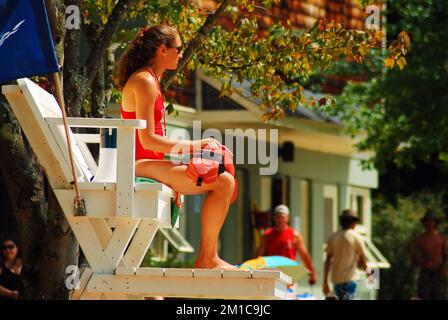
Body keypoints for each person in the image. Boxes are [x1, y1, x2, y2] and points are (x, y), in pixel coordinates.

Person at [115, 25, 235, 270]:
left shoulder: (150, 80)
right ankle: (207, 259)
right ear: (162, 49)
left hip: (149, 164)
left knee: (224, 178)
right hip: (137, 166)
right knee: (224, 183)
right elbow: (147, 140)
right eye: (178, 49)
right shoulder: (144, 81)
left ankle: (209, 258)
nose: (181, 54)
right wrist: (195, 146)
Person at [256, 204, 317, 284]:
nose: (280, 220)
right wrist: (256, 271)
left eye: (282, 217)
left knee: (289, 296)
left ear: (287, 218)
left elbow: (304, 255)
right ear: (274, 218)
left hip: (289, 274)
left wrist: (312, 273)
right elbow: (259, 255)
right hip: (272, 274)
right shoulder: (267, 235)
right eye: (278, 217)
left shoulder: (294, 235)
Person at [323, 209, 367, 300]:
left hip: (336, 280)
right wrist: (373, 280)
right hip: (351, 279)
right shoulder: (356, 237)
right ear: (353, 223)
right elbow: (363, 263)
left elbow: (327, 261)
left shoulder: (333, 237)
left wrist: (325, 282)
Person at [412, 209, 447, 300]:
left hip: (438, 272)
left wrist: (445, 269)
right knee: (424, 295)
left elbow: (446, 256)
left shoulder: (442, 239)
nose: (430, 224)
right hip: (425, 272)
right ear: (424, 223)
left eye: (432, 221)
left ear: (435, 223)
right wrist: (422, 263)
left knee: (438, 295)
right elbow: (414, 258)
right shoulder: (419, 240)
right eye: (428, 221)